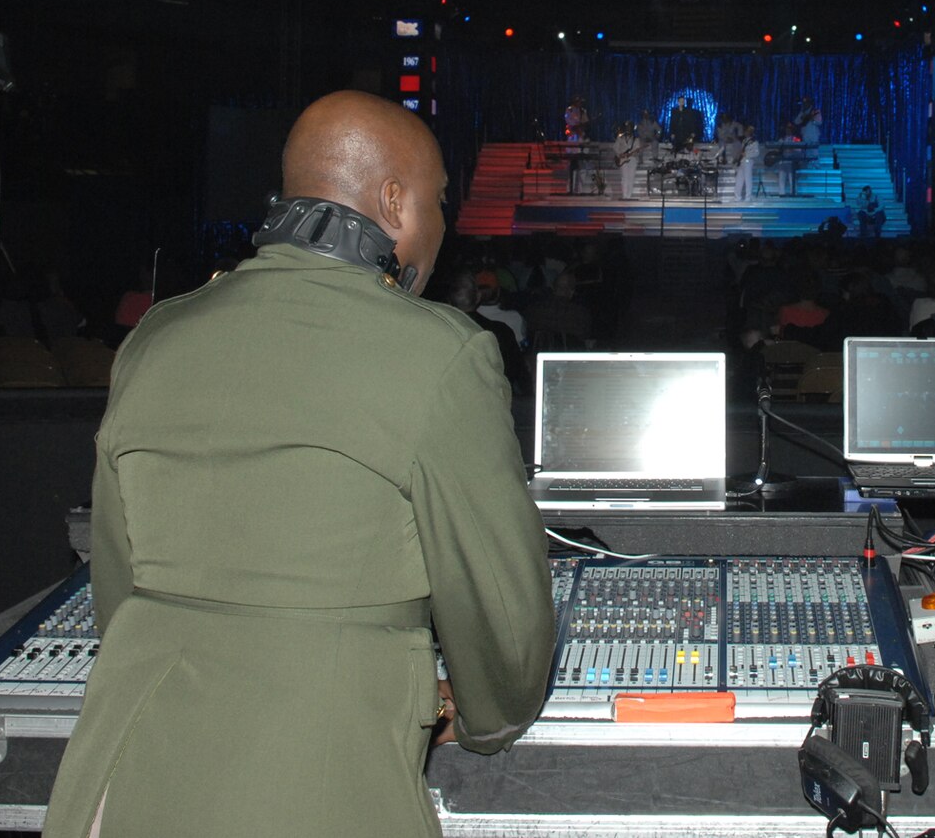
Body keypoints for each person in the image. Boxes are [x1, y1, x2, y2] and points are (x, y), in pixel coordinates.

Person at [42, 91, 555, 838]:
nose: (447, 222)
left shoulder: (158, 336)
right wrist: (489, 716)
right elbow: (501, 614)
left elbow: (120, 582)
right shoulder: (443, 353)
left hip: (128, 776)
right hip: (319, 778)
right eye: (440, 199)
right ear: (394, 201)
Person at [732, 125, 762, 202]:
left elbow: (756, 153)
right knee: (739, 179)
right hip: (742, 161)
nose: (745, 132)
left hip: (748, 161)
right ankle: (737, 197)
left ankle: (748, 197)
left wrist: (747, 155)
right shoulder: (744, 141)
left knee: (748, 179)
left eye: (747, 131)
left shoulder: (754, 142)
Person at [613, 121, 641, 199]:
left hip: (632, 159)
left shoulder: (636, 139)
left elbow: (637, 150)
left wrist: (632, 154)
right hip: (622, 159)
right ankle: (624, 196)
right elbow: (615, 147)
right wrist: (620, 154)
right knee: (624, 177)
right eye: (627, 127)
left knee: (631, 178)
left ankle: (629, 196)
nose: (628, 129)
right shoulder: (620, 138)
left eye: (630, 127)